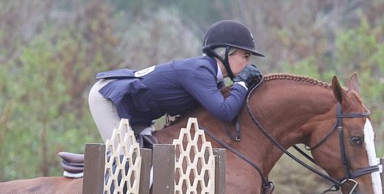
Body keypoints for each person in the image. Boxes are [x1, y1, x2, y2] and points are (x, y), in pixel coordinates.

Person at [88, 20, 264, 143]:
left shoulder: (211, 75)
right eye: (246, 56)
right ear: (224, 52)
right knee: (126, 161)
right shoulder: (199, 71)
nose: (248, 64)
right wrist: (241, 83)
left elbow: (223, 114)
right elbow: (225, 112)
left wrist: (249, 88)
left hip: (137, 112)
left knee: (153, 152)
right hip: (108, 98)